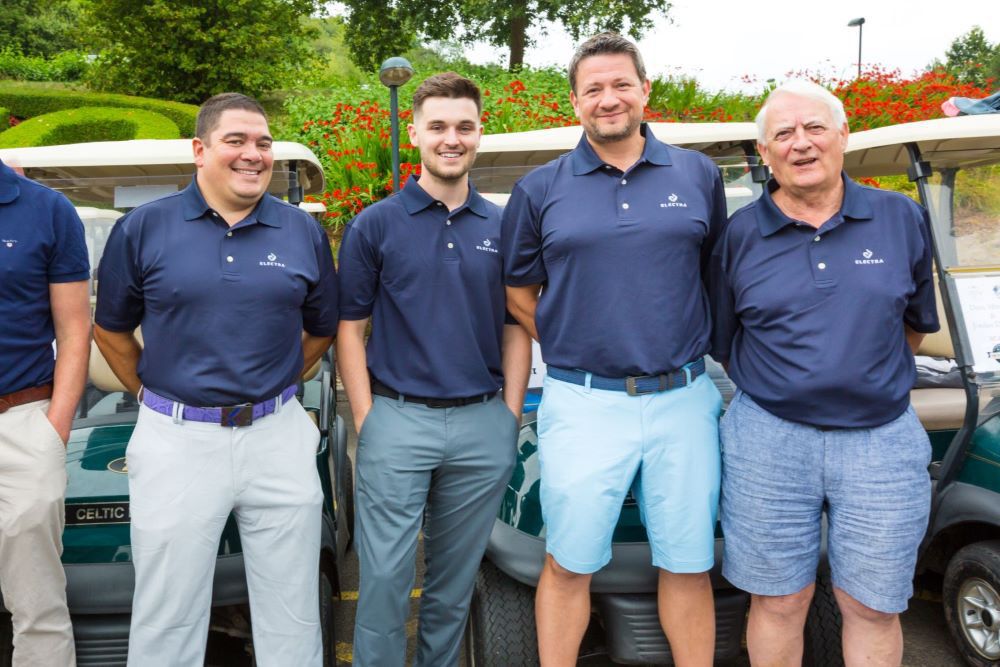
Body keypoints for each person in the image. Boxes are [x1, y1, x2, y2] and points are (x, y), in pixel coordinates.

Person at [502, 33, 728, 666]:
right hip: (583, 402)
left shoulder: (698, 174)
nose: (609, 99)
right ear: (575, 101)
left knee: (688, 562)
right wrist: (574, 337)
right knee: (568, 561)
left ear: (645, 90)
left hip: (684, 398)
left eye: (621, 84)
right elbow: (519, 292)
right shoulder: (538, 189)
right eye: (594, 89)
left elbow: (715, 275)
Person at [93, 93, 339, 667]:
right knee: (168, 613)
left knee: (293, 610)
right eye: (236, 141)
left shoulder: (300, 230)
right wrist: (150, 393)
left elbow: (322, 329)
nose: (254, 154)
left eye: (263, 143)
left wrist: (277, 384)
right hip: (176, 439)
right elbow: (110, 330)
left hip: (277, 435)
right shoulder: (143, 227)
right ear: (200, 150)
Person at [709, 80, 939, 666]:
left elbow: (913, 324)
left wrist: (858, 376)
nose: (801, 143)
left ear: (842, 136)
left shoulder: (900, 218)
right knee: (779, 600)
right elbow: (728, 342)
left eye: (814, 128)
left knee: (872, 606)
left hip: (881, 441)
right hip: (769, 440)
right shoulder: (739, 234)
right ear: (766, 153)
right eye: (783, 134)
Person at [337, 72, 531, 666]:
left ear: (479, 133)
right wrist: (367, 418)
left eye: (464, 127)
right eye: (439, 126)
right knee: (384, 582)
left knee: (453, 585)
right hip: (398, 420)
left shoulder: (504, 225)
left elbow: (516, 325)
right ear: (416, 132)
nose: (452, 138)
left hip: (482, 422)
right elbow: (350, 329)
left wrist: (508, 416)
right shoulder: (375, 224)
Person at [0, 157, 90, 666]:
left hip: (21, 423)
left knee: (38, 606)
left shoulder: (48, 210)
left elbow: (74, 329)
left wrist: (55, 427)